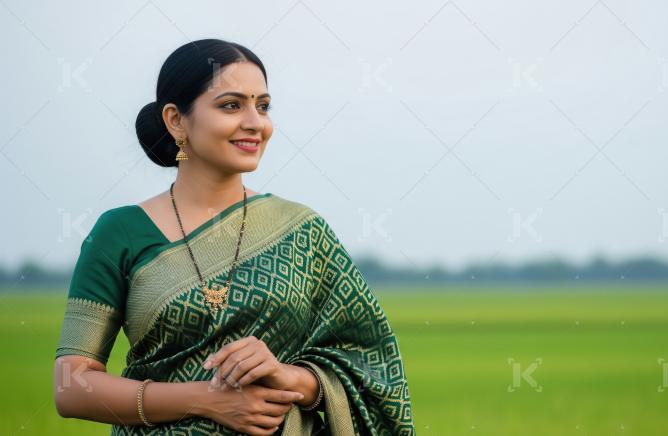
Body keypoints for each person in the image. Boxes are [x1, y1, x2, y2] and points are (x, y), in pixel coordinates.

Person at [53, 38, 415, 436]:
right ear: (176, 120)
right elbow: (72, 387)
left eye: (262, 106)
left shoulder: (304, 231)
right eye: (231, 105)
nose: (255, 122)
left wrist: (291, 378)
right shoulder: (120, 232)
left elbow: (373, 369)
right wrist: (206, 399)